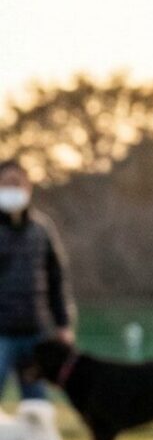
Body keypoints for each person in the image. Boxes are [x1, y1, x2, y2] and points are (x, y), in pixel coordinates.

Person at [0, 159, 75, 402]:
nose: (12, 189)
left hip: (36, 332)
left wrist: (63, 324)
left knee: (37, 406)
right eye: (7, 183)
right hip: (2, 333)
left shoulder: (41, 229)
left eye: (17, 183)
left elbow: (56, 279)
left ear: (28, 187)